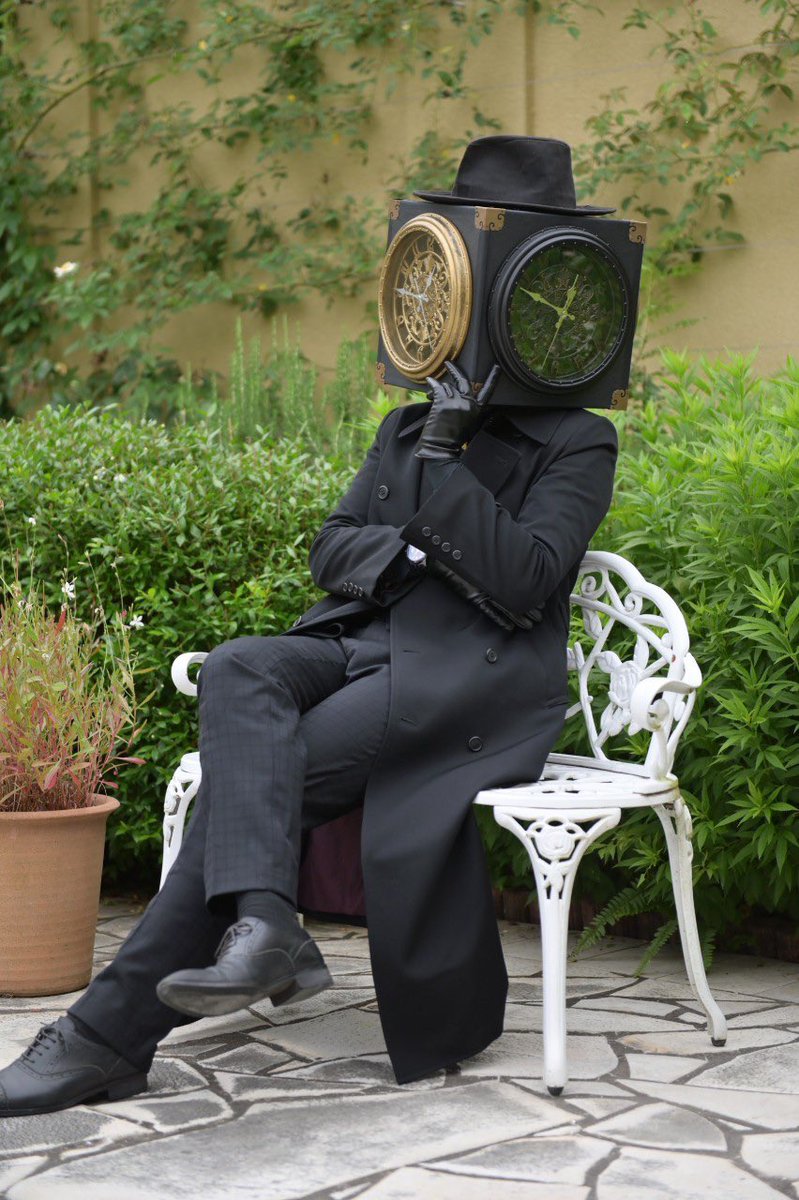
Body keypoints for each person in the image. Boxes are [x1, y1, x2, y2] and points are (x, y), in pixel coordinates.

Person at [0, 137, 620, 1116]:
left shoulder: (578, 437)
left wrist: (446, 466)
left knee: (254, 782)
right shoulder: (401, 425)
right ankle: (264, 922)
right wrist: (412, 552)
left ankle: (103, 1037)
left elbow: (529, 581)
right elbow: (332, 548)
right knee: (239, 666)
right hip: (363, 644)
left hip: (465, 677)